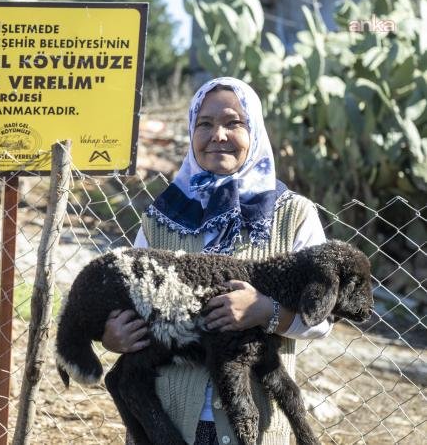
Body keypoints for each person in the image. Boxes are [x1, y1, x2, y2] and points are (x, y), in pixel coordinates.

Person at [102, 77, 332, 445]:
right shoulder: (162, 217)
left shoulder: (293, 217)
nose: (217, 135)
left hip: (253, 427)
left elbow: (323, 320)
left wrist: (266, 311)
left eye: (233, 122)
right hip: (166, 422)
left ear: (254, 130)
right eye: (204, 124)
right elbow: (123, 304)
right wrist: (113, 337)